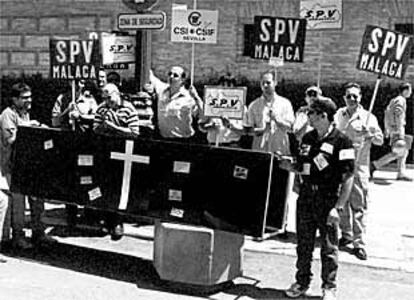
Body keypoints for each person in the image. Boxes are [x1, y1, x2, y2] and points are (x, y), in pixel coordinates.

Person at [280, 98, 355, 300]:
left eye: (311, 113)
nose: (308, 117)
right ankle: (302, 281)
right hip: (306, 197)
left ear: (323, 115)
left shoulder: (342, 141)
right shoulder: (308, 138)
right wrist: (291, 166)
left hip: (327, 199)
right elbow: (304, 166)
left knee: (329, 247)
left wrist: (337, 207)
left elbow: (348, 177)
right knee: (303, 243)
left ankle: (329, 286)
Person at [0, 82, 56, 249]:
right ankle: (18, 237)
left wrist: (39, 129)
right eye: (24, 98)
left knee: (37, 199)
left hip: (29, 166)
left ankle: (39, 232)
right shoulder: (7, 115)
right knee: (18, 203)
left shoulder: (25, 114)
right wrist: (28, 128)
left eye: (30, 97)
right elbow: (11, 140)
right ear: (14, 99)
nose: (29, 100)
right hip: (12, 167)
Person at [334, 82, 383, 260]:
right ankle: (346, 235)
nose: (352, 99)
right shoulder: (339, 114)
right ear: (344, 98)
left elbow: (380, 140)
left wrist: (369, 134)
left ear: (360, 97)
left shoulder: (368, 116)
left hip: (359, 166)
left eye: (355, 96)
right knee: (342, 202)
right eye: (349, 96)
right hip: (340, 165)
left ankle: (359, 243)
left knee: (359, 205)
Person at [93, 83, 140, 240]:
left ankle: (118, 222)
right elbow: (95, 128)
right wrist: (103, 126)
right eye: (104, 98)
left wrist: (114, 127)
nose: (107, 101)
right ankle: (105, 220)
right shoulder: (101, 108)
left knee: (120, 189)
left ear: (117, 93)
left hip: (122, 152)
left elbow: (134, 132)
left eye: (110, 97)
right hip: (105, 152)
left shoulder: (128, 108)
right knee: (105, 186)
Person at [245, 71, 295, 155]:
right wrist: (262, 130)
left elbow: (290, 128)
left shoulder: (285, 103)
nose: (265, 85)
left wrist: (277, 120)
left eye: (268, 83)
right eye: (262, 83)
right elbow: (249, 130)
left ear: (275, 83)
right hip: (260, 151)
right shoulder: (253, 105)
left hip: (280, 150)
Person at [371, 82, 413, 181]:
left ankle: (401, 173)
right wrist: (400, 131)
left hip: (393, 129)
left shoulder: (393, 100)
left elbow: (386, 113)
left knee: (403, 151)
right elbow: (398, 115)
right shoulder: (401, 100)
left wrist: (387, 129)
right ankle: (375, 165)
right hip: (398, 129)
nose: (410, 93)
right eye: (410, 90)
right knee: (397, 152)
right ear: (405, 90)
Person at [149, 66, 203, 142]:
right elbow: (149, 74)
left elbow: (202, 116)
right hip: (163, 139)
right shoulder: (161, 89)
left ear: (182, 80)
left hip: (184, 141)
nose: (171, 77)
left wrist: (196, 97)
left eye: (175, 75)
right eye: (170, 74)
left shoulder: (189, 98)